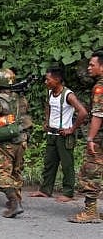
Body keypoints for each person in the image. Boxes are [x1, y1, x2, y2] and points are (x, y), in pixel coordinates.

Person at [0, 68, 32, 218]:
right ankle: (16, 200)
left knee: (2, 173)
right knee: (16, 171)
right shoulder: (20, 98)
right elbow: (24, 117)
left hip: (5, 143)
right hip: (21, 140)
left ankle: (14, 202)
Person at [30, 67, 87, 202]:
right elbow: (48, 106)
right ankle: (45, 190)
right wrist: (46, 121)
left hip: (64, 136)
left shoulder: (68, 95)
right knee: (49, 163)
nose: (45, 81)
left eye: (48, 79)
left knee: (67, 164)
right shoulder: (50, 93)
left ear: (57, 80)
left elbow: (83, 112)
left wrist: (72, 129)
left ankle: (68, 192)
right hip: (52, 133)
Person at [68, 50, 103, 223]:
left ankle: (90, 212)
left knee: (91, 171)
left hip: (99, 139)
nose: (89, 68)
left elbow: (98, 114)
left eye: (92, 65)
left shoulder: (100, 87)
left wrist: (90, 138)